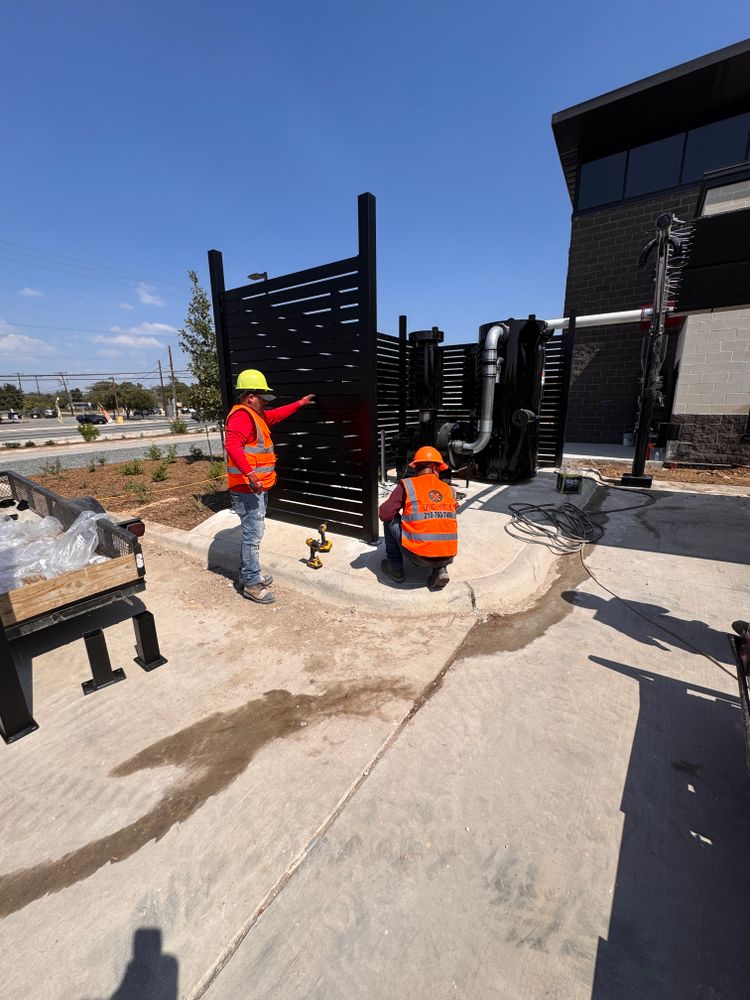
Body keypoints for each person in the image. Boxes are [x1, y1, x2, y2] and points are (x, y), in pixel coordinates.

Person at [225, 369, 314, 604]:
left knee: (255, 533)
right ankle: (252, 584)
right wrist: (251, 474)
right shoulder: (242, 416)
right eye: (263, 399)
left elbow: (275, 415)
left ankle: (251, 573)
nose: (265, 404)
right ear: (250, 396)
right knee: (253, 536)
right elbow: (232, 446)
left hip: (256, 487)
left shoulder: (256, 416)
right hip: (247, 488)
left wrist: (299, 403)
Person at [378, 445, 458, 590]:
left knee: (389, 519)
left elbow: (384, 513)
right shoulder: (449, 490)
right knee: (442, 522)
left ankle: (395, 567)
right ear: (435, 468)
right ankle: (440, 570)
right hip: (449, 556)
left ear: (416, 467)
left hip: (418, 556)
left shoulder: (408, 485)